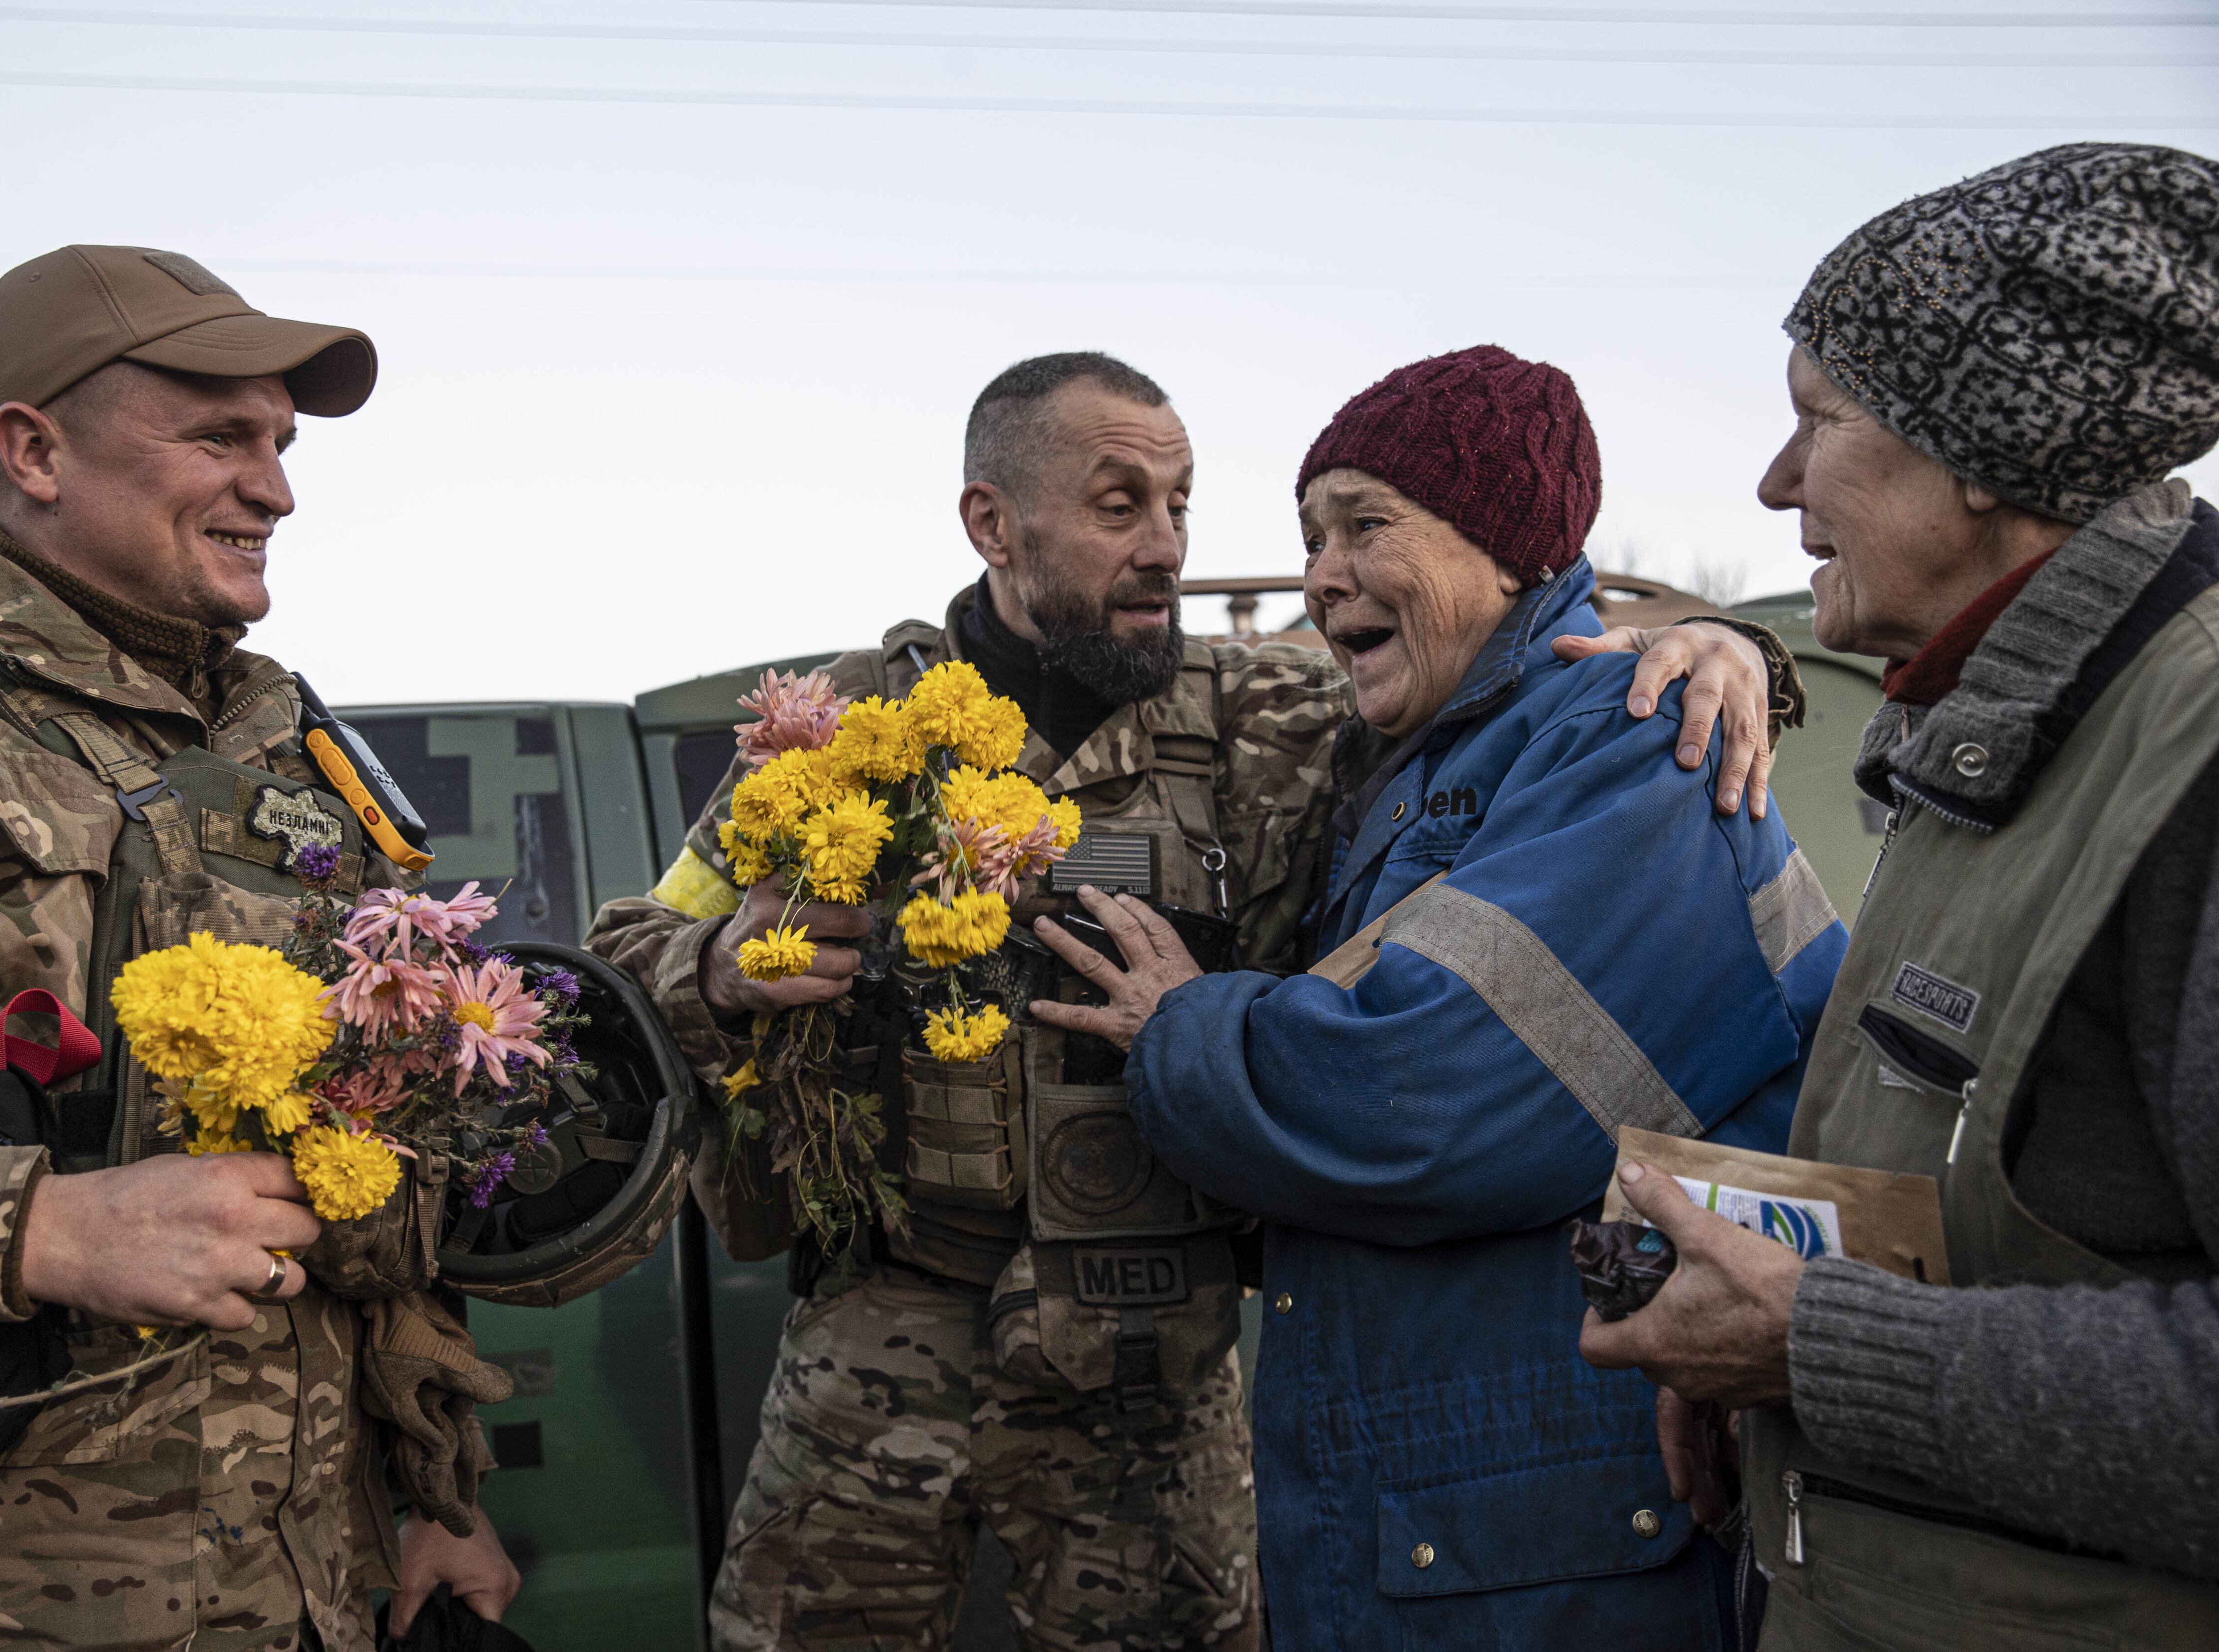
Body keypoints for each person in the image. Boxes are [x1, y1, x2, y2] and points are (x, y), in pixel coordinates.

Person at [584, 349, 1783, 1649]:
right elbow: (633, 954)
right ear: (994, 521)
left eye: (1182, 505)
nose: (1165, 545)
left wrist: (1717, 647)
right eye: (1119, 506)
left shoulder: (1275, 712)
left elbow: (1506, 696)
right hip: (877, 1345)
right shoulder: (835, 730)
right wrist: (715, 971)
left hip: (1152, 1382)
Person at [0, 245, 516, 1652]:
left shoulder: (291, 758)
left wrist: (434, 1486)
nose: (277, 488)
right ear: (33, 450)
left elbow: (366, 1158)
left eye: (279, 443)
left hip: (311, 1594)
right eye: (222, 436)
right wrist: (39, 1227)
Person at [1046, 344, 1846, 1651]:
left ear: (1517, 547)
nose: (1319, 577)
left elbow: (1425, 1103)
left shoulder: (1635, 733)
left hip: (1554, 1547)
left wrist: (1181, 1029)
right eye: (1309, 536)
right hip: (1453, 1528)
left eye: (1368, 524)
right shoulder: (1415, 761)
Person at [1580, 143, 2219, 1649]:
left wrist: (1815, 1347)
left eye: (1823, 418)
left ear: (1982, 450)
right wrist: (1756, 1369)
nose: (1776, 479)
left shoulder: (2188, 750)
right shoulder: (2005, 722)